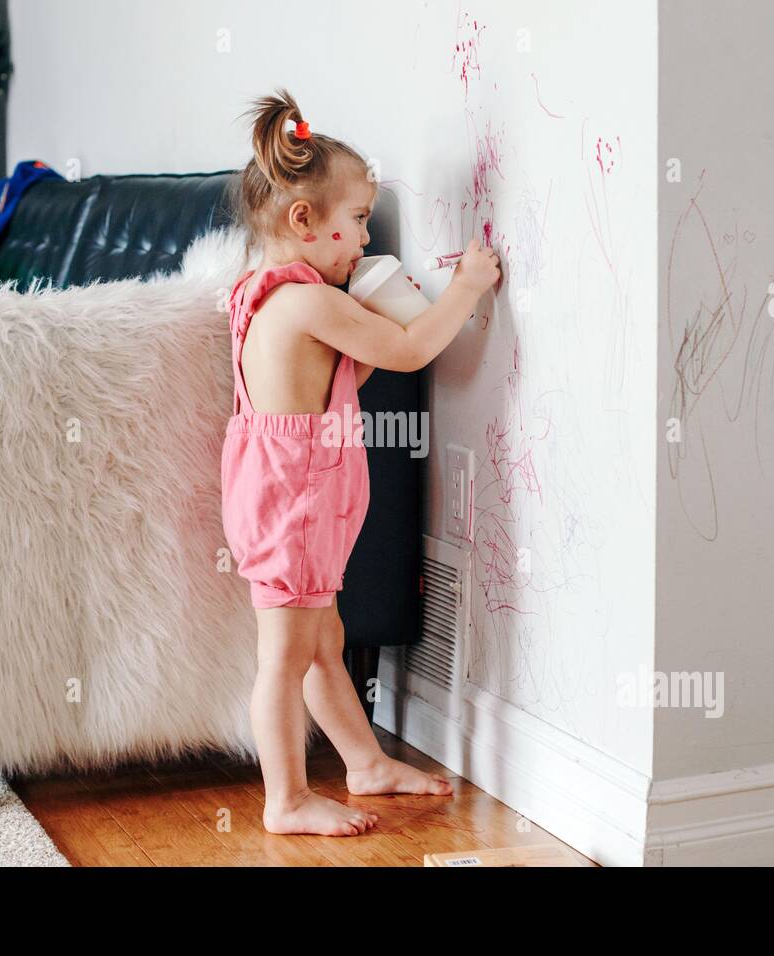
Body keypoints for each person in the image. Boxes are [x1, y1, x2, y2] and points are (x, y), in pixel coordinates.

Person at [222, 88, 501, 836]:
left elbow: (349, 378)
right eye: (355, 222)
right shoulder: (308, 303)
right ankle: (284, 799)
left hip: (285, 494)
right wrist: (468, 289)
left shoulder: (266, 293)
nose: (365, 239)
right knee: (286, 655)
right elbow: (411, 350)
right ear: (302, 221)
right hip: (295, 501)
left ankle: (364, 761)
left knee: (324, 643)